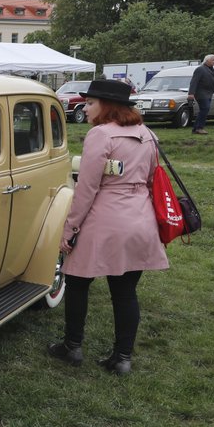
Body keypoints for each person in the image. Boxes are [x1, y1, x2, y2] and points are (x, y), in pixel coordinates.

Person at [47, 79, 169, 375]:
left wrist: (70, 229)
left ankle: (72, 346)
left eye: (90, 103)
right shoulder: (147, 133)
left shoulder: (100, 135)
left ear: (107, 106)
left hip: (105, 219)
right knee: (125, 291)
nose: (84, 108)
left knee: (76, 282)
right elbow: (152, 177)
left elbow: (87, 188)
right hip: (140, 218)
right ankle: (123, 357)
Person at [187, 54, 214, 135]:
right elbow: (194, 81)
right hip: (201, 93)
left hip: (208, 93)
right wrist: (191, 93)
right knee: (205, 108)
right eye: (213, 60)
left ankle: (196, 129)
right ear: (207, 61)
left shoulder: (211, 69)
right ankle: (199, 128)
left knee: (205, 109)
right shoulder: (200, 69)